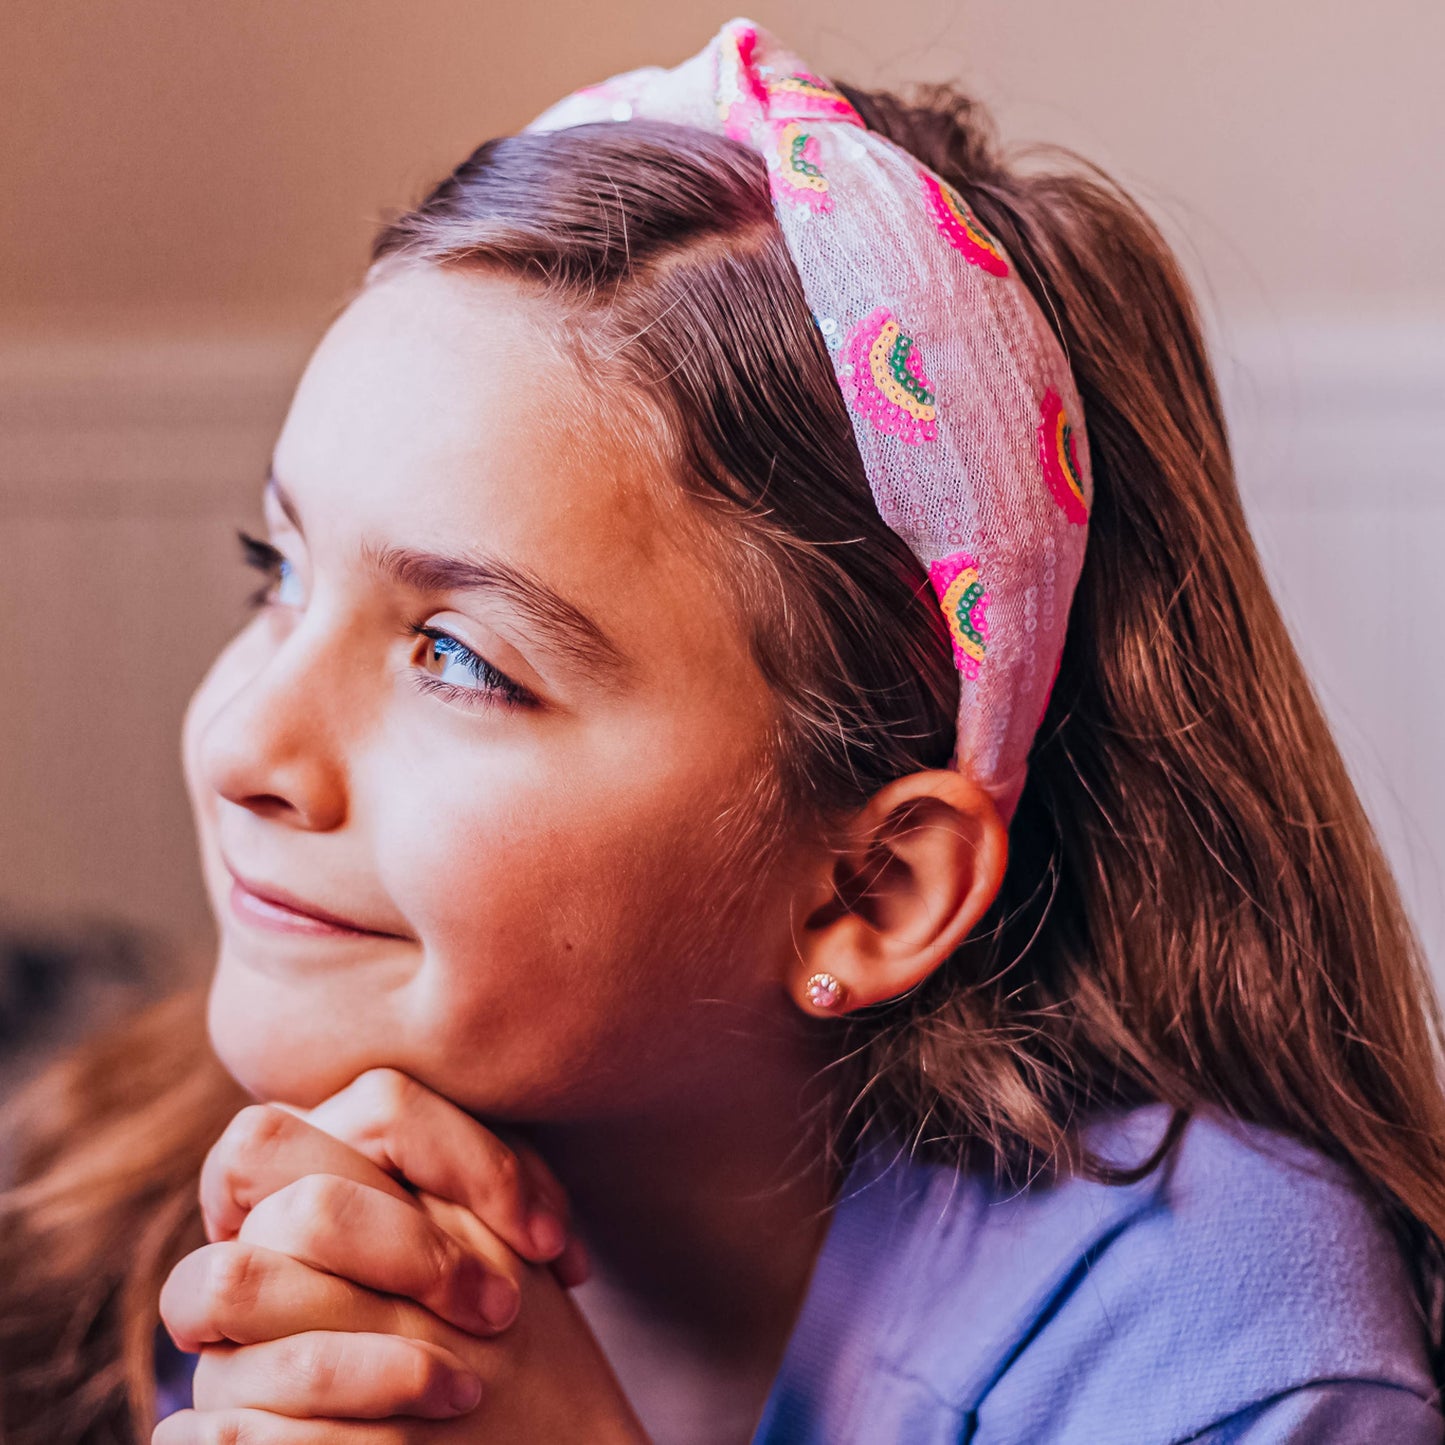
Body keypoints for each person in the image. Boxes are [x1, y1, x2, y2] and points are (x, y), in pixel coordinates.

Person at [2, 17, 1443, 1443]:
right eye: (279, 574)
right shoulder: (182, 1219)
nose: (244, 740)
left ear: (869, 888)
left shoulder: (1223, 1353)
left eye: (457, 657)